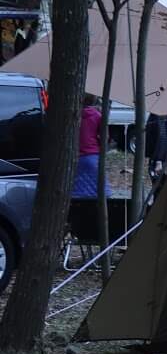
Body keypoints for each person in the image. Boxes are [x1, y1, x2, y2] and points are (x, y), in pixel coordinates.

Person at [68, 100, 106, 251]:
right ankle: (95, 230)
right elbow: (104, 137)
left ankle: (79, 229)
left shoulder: (73, 115)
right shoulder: (97, 115)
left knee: (78, 196)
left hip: (76, 157)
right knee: (99, 194)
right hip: (93, 157)